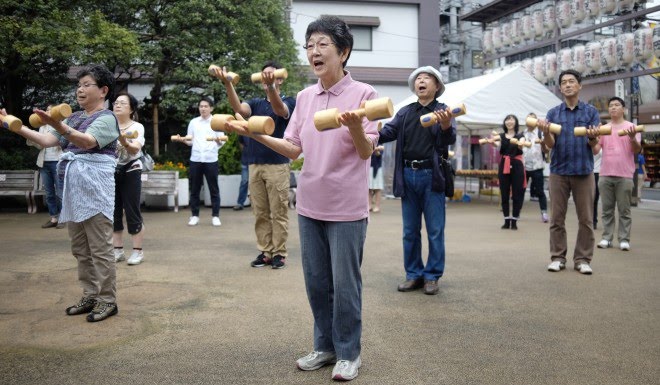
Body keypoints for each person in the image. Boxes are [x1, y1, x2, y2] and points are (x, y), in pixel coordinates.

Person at [225, 15, 378, 381]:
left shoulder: (365, 95)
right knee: (317, 282)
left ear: (343, 52)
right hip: (310, 204)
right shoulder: (306, 98)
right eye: (309, 45)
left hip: (346, 208)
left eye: (322, 44)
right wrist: (254, 134)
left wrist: (356, 126)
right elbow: (292, 148)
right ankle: (324, 347)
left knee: (345, 284)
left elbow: (365, 151)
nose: (314, 51)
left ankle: (348, 353)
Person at [2, 64, 120, 321]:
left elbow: (87, 142)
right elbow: (45, 140)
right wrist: (12, 124)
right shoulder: (75, 117)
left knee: (100, 249)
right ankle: (90, 294)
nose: (80, 89)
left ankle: (107, 300)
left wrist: (58, 124)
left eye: (86, 84)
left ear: (103, 90)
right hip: (73, 191)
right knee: (80, 248)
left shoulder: (107, 118)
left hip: (96, 191)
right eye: (79, 85)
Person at [378, 66, 456, 295]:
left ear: (436, 86)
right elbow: (387, 133)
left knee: (435, 229)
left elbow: (448, 140)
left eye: (427, 78)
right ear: (415, 87)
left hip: (432, 176)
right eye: (418, 79)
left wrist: (445, 125)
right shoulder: (405, 112)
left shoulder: (443, 110)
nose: (421, 81)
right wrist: (366, 128)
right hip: (407, 175)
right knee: (410, 230)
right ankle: (413, 274)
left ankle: (432, 276)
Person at [214, 61, 295, 269]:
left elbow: (279, 109)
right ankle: (265, 251)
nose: (267, 78)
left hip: (278, 164)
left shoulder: (289, 101)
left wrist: (271, 88)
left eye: (272, 75)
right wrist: (228, 84)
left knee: (278, 212)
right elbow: (238, 108)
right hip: (255, 164)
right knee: (259, 212)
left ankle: (279, 252)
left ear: (280, 78)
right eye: (264, 76)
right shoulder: (256, 103)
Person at [537, 69, 600, 275]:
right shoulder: (553, 113)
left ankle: (582, 259)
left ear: (579, 85)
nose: (567, 85)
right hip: (558, 171)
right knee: (557, 218)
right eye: (563, 82)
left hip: (584, 171)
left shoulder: (590, 112)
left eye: (572, 81)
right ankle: (557, 257)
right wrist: (546, 132)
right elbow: (549, 145)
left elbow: (595, 146)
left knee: (586, 219)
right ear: (560, 87)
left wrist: (592, 137)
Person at [593, 97, 642, 251]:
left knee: (624, 210)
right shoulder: (604, 128)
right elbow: (595, 150)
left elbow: (636, 150)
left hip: (625, 175)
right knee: (607, 209)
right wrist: (593, 137)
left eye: (616, 105)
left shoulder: (631, 127)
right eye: (611, 106)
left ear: (623, 109)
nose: (613, 108)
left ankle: (624, 239)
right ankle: (607, 238)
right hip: (605, 174)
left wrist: (633, 137)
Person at [174, 97, 224, 227]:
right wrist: (182, 140)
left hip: (211, 159)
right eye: (201, 106)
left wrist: (217, 140)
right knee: (195, 189)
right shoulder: (194, 122)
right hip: (196, 159)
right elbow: (190, 141)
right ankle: (194, 215)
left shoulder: (216, 122)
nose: (203, 108)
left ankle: (215, 216)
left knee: (214, 189)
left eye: (206, 106)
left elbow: (222, 141)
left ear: (211, 108)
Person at [112, 92, 146, 265]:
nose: (117, 105)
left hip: (131, 169)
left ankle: (137, 252)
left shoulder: (137, 127)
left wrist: (124, 142)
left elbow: (134, 149)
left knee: (132, 210)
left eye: (122, 103)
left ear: (131, 109)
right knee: (113, 210)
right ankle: (117, 250)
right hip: (111, 170)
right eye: (116, 102)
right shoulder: (108, 125)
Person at [26, 105, 64, 229]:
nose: (48, 112)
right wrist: (29, 135)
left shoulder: (61, 124)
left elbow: (64, 142)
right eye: (47, 109)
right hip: (44, 163)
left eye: (50, 110)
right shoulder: (42, 126)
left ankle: (63, 219)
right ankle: (54, 218)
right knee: (49, 193)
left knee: (60, 193)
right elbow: (40, 145)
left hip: (58, 162)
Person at [493, 114, 525, 230]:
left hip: (517, 165)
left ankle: (515, 220)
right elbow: (497, 144)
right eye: (507, 120)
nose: (509, 122)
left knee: (517, 194)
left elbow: (521, 145)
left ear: (516, 122)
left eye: (512, 120)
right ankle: (506, 220)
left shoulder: (520, 135)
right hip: (504, 164)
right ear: (505, 123)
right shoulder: (501, 136)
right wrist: (492, 141)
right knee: (504, 193)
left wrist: (520, 144)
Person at [522, 112, 548, 223]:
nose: (531, 121)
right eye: (529, 119)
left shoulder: (540, 133)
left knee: (540, 191)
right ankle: (516, 212)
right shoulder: (522, 133)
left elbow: (547, 150)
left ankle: (544, 212)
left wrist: (542, 144)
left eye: (533, 119)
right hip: (524, 167)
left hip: (537, 167)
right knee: (521, 190)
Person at [234, 135, 250, 211]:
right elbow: (241, 143)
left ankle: (260, 204)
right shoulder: (244, 129)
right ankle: (240, 203)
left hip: (257, 162)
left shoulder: (259, 127)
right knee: (244, 182)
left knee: (259, 183)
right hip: (245, 161)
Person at [369, 145, 385, 212]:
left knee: (377, 189)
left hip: (377, 168)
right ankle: (368, 206)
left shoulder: (380, 142)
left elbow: (378, 154)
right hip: (369, 167)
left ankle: (377, 206)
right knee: (368, 188)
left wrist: (376, 150)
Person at [593, 147, 602, 229]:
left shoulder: (602, 144)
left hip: (598, 173)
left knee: (595, 198)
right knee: (587, 199)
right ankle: (590, 219)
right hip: (589, 172)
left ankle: (594, 220)